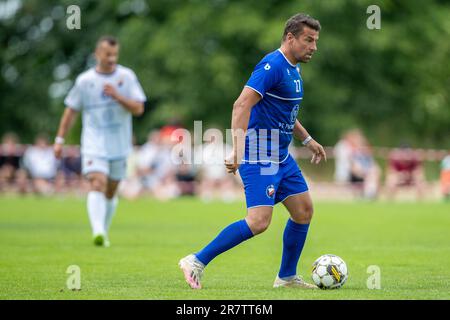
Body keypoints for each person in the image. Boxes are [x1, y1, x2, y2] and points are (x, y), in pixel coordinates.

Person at [179, 13, 326, 289]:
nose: (314, 47)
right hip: (259, 155)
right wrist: (236, 150)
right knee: (259, 222)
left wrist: (307, 140)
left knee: (304, 211)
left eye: (316, 41)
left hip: (281, 156)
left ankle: (286, 277)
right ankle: (196, 260)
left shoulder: (294, 68)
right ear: (290, 38)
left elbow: (286, 112)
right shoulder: (272, 65)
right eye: (308, 40)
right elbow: (240, 105)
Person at [54, 35, 146, 247]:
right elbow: (70, 112)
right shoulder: (85, 81)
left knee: (111, 190)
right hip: (94, 142)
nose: (112, 58)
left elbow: (139, 108)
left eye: (115, 54)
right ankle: (97, 231)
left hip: (120, 144)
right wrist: (59, 139)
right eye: (107, 54)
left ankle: (103, 230)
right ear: (97, 54)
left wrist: (118, 96)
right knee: (97, 182)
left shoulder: (127, 76)